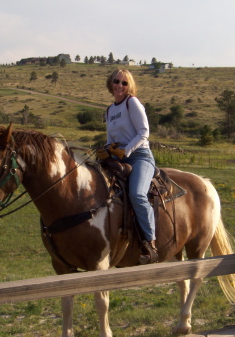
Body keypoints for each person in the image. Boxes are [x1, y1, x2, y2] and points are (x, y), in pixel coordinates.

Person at [96, 69, 158, 264]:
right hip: (118, 158)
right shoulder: (110, 110)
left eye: (124, 82)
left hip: (140, 156)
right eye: (116, 81)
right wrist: (107, 150)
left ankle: (150, 242)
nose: (120, 86)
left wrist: (127, 151)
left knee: (137, 195)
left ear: (129, 85)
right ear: (110, 83)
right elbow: (110, 139)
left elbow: (144, 132)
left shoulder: (132, 103)